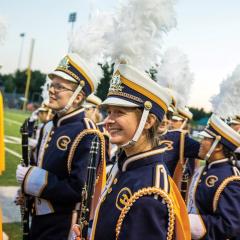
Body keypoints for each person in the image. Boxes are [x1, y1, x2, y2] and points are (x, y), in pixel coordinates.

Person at [87, 63, 191, 240]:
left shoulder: (150, 191)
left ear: (149, 121)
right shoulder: (126, 165)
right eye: (109, 112)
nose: (108, 121)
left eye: (119, 112)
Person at [15, 53, 106, 240]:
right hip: (38, 221)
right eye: (52, 85)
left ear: (78, 96)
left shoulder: (87, 133)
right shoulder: (49, 126)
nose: (52, 90)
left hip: (63, 227)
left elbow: (79, 190)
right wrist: (27, 193)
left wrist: (32, 181)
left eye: (59, 86)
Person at [187, 114, 240, 239]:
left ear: (219, 146)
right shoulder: (206, 169)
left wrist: (188, 222)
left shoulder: (231, 179)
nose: (200, 142)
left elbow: (229, 226)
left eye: (206, 138)